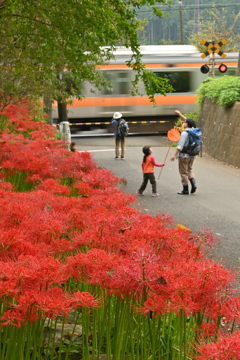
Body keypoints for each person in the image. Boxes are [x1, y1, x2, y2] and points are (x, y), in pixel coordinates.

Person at [170, 110, 197, 195]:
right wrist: (180, 114)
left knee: (183, 172)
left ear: (187, 124)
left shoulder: (184, 133)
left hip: (184, 156)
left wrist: (174, 155)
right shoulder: (193, 130)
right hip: (192, 155)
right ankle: (193, 183)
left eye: (184, 122)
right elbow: (189, 121)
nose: (183, 123)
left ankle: (185, 189)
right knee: (189, 169)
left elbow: (180, 146)